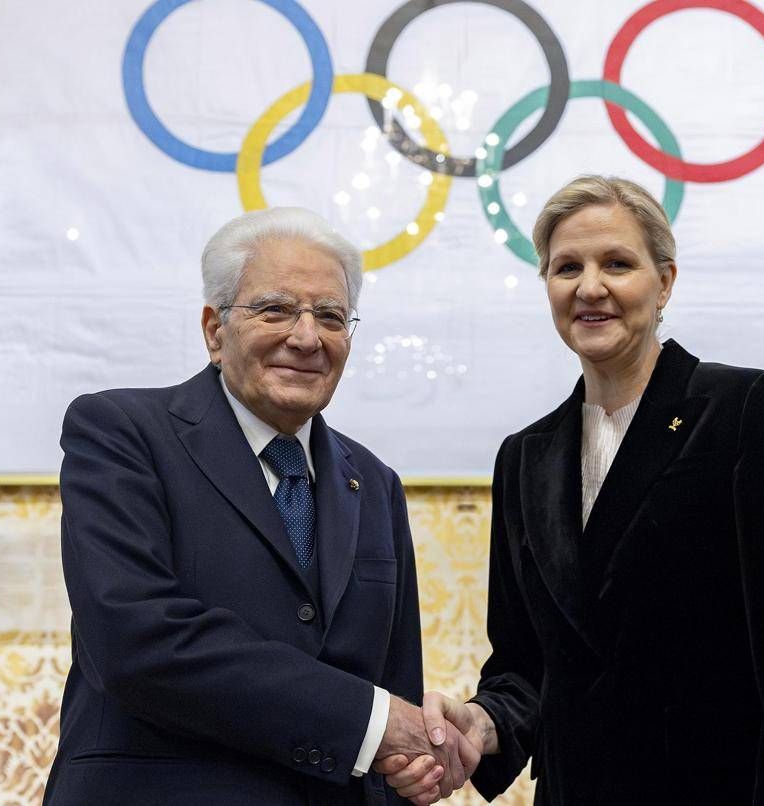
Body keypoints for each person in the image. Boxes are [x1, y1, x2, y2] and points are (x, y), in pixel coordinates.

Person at [380, 176, 764, 804]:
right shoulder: (524, 457)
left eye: (618, 264)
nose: (590, 287)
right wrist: (481, 724)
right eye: (567, 267)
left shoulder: (746, 410)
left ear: (665, 283)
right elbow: (527, 666)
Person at [45, 208, 477, 805]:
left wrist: (412, 763)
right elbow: (135, 639)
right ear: (214, 330)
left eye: (331, 317)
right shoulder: (121, 432)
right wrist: (370, 722)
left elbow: (395, 695)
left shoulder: (375, 484)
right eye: (275, 310)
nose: (306, 338)